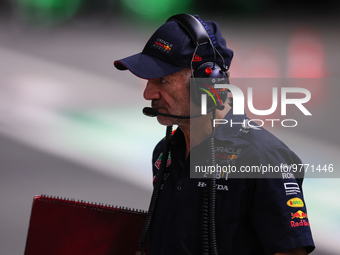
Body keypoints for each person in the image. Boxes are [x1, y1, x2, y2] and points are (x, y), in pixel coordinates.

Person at [114, 13, 315, 255]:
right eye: (149, 81)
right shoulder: (165, 152)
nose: (148, 94)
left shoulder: (263, 159)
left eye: (163, 81)